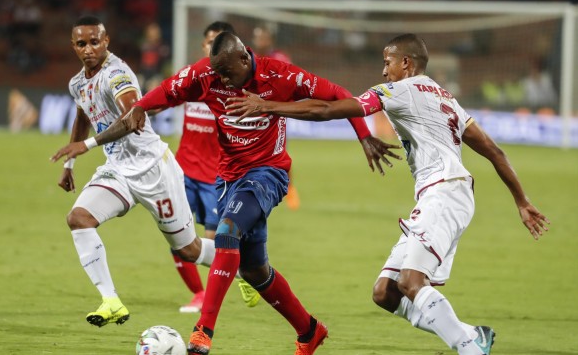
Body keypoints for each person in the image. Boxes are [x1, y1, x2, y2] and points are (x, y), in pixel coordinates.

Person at [226, 33, 550, 355]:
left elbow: (327, 109)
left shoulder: (397, 90)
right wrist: (521, 201)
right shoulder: (444, 96)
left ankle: (468, 348)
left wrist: (267, 106)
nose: (384, 71)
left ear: (406, 63)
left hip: (444, 192)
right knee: (386, 292)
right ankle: (470, 334)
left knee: (411, 282)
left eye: (388, 62)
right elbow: (493, 150)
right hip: (443, 194)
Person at [122, 32, 401, 355]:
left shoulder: (279, 75)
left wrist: (364, 136)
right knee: (254, 270)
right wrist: (141, 106)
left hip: (268, 174)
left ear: (245, 58)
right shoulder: (207, 74)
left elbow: (337, 94)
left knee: (227, 231)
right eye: (219, 74)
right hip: (228, 178)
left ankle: (203, 333)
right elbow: (169, 90)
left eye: (228, 72)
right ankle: (309, 331)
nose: (223, 79)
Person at [50, 15, 216, 327]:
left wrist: (85, 146)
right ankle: (110, 300)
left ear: (106, 41)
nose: (89, 49)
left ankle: (239, 262)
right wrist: (69, 165)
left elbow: (132, 118)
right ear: (73, 46)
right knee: (79, 219)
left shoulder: (117, 73)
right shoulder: (77, 83)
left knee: (190, 250)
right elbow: (83, 115)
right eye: (82, 44)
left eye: (94, 42)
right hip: (118, 170)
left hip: (154, 169)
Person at [173, 21, 261, 313]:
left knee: (211, 242)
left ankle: (218, 294)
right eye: (210, 43)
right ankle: (198, 293)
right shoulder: (192, 78)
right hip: (183, 170)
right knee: (174, 234)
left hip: (214, 176)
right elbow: (164, 99)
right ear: (203, 47)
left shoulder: (232, 86)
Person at [252, 24, 299, 210]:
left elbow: (290, 81)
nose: (260, 41)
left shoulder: (281, 58)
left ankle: (290, 188)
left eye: (263, 37)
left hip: (276, 112)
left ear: (270, 39)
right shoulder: (249, 59)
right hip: (254, 113)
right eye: (258, 38)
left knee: (279, 151)